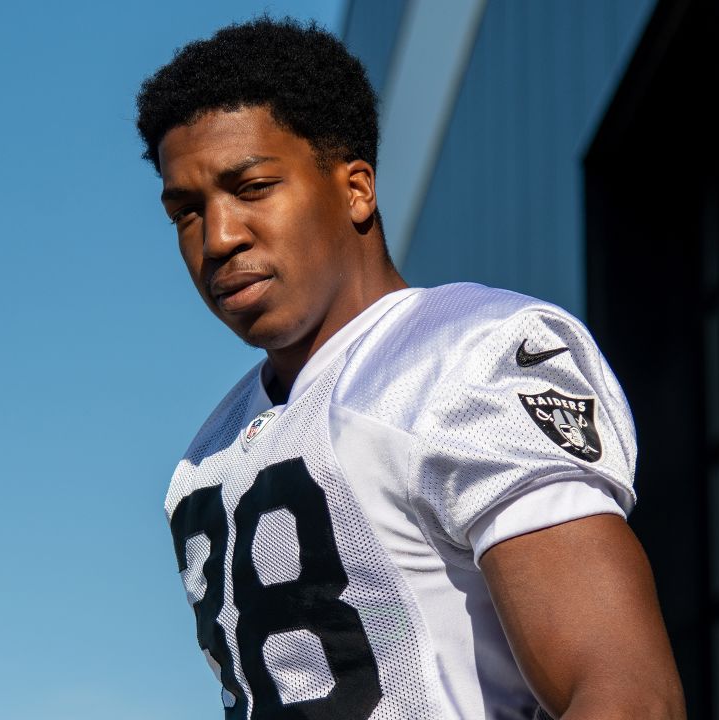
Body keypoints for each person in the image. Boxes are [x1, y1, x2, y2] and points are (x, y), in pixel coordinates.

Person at [136, 17, 686, 720]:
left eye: (252, 187)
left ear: (357, 188)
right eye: (186, 211)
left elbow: (625, 693)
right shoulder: (206, 457)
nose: (218, 237)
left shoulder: (466, 355)